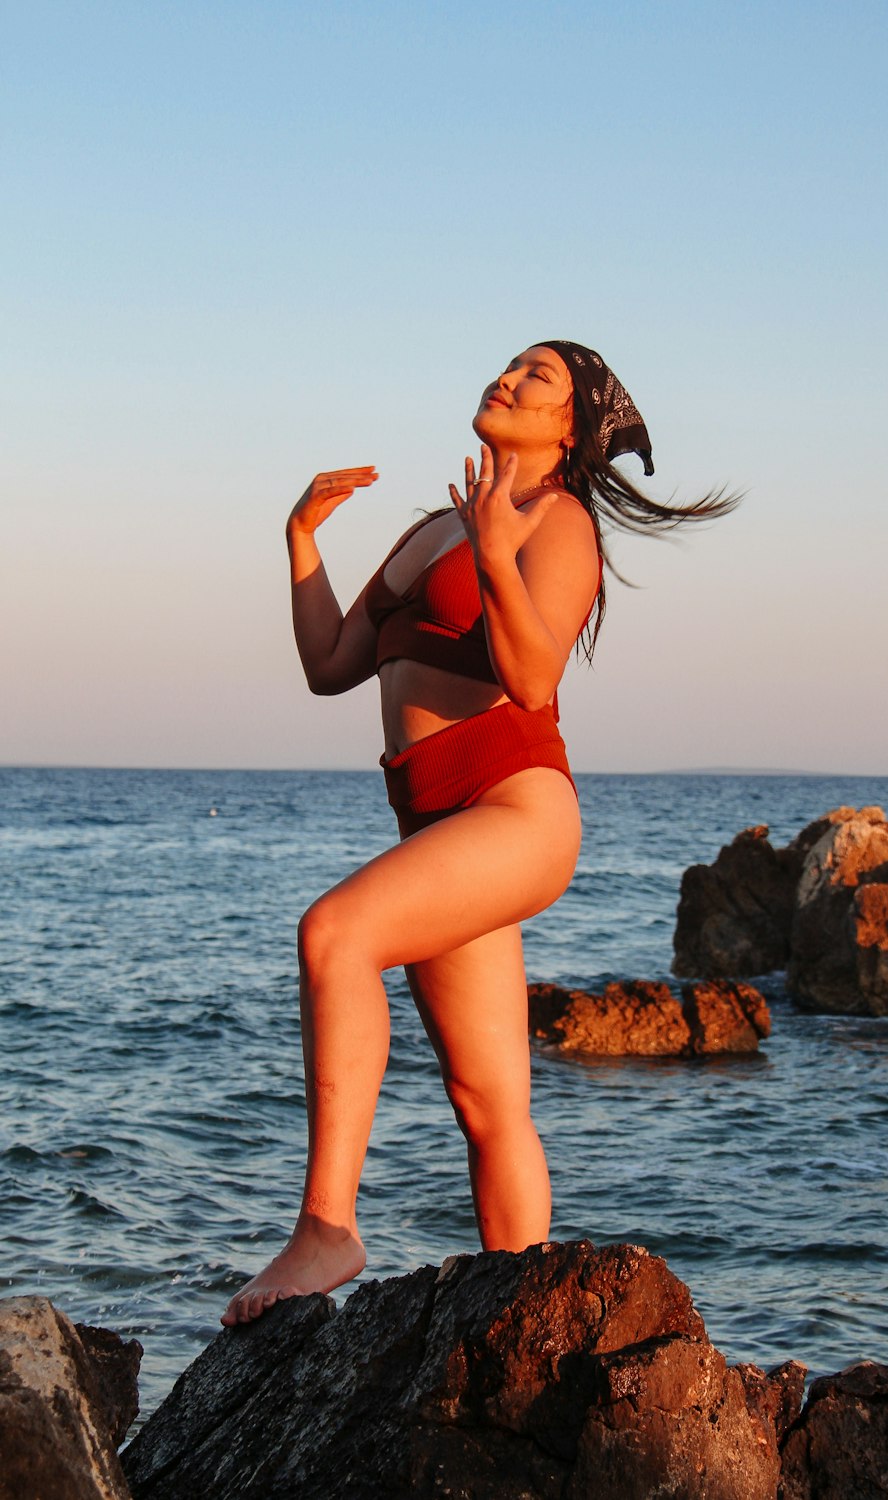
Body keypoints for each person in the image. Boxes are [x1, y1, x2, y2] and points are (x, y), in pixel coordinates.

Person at [221, 341, 735, 1325]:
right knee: (487, 1100)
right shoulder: (431, 531)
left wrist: (499, 552)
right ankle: (526, 1308)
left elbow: (533, 677)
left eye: (535, 377)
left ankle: (326, 1227)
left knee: (335, 936)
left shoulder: (559, 523)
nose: (507, 378)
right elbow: (331, 664)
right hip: (434, 819)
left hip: (514, 808)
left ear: (571, 427)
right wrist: (300, 541)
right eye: (507, 365)